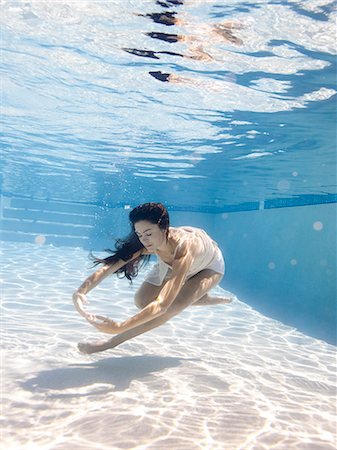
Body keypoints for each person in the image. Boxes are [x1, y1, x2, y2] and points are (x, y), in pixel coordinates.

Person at [73, 203, 232, 354]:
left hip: (208, 267)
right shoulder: (149, 243)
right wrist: (81, 291)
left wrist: (119, 327)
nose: (144, 240)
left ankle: (110, 344)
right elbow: (112, 266)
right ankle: (199, 298)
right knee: (142, 301)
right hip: (170, 262)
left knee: (169, 309)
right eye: (139, 234)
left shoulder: (184, 248)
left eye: (149, 233)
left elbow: (162, 305)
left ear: (164, 228)